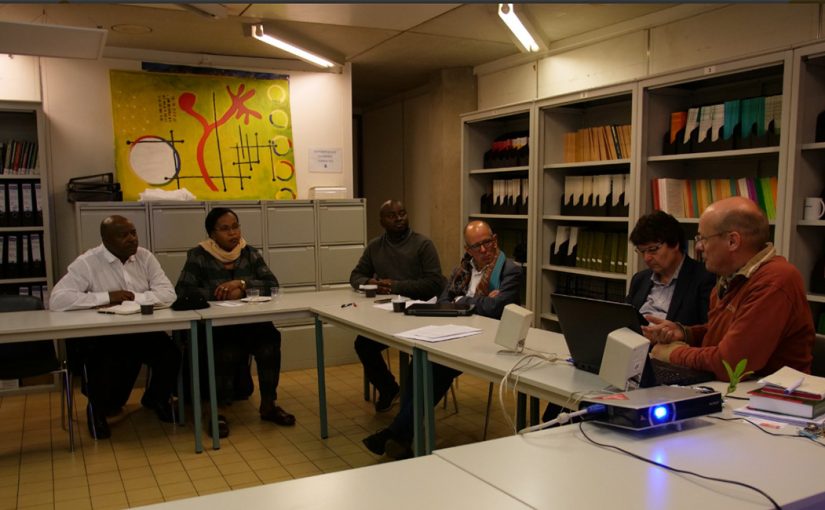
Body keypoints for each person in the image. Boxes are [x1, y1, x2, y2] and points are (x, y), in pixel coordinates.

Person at [362, 220, 522, 459]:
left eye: (488, 242)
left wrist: (463, 301)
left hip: (486, 342)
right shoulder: (461, 270)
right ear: (467, 249)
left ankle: (397, 433)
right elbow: (444, 302)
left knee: (438, 369)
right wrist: (478, 300)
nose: (484, 250)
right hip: (453, 334)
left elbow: (494, 308)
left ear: (495, 239)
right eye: (476, 246)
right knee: (420, 362)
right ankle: (401, 435)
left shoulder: (510, 270)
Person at [643, 197, 815, 380]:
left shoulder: (774, 281)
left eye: (703, 238)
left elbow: (730, 364)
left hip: (765, 393)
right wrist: (685, 333)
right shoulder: (732, 276)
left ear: (733, 241)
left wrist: (673, 353)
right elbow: (726, 334)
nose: (699, 247)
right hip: (732, 387)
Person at [50, 215, 180, 440]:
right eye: (123, 235)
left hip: (141, 331)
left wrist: (131, 298)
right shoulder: (88, 262)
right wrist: (106, 297)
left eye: (133, 233)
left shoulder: (145, 257)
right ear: (106, 240)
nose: (132, 239)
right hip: (104, 335)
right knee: (102, 361)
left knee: (171, 354)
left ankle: (156, 399)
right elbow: (58, 299)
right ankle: (97, 410)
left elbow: (168, 294)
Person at [175, 207, 295, 438]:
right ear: (212, 234)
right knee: (224, 350)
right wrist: (220, 293)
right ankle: (218, 411)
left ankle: (268, 405)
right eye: (225, 229)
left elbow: (272, 284)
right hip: (218, 328)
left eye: (235, 227)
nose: (233, 233)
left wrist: (242, 284)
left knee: (270, 342)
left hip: (251, 323)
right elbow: (183, 291)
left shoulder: (249, 253)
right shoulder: (199, 255)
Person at [350, 200, 445, 412]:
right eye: (392, 215)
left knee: (417, 353)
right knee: (363, 344)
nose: (399, 218)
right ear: (382, 221)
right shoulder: (375, 246)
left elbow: (434, 283)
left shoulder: (423, 244)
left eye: (402, 213)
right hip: (387, 315)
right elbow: (356, 276)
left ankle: (412, 405)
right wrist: (371, 283)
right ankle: (389, 389)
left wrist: (395, 286)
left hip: (419, 314)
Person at [627, 210, 716, 325]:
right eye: (642, 251)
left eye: (653, 250)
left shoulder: (704, 278)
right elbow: (625, 318)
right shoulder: (640, 279)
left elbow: (707, 329)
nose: (646, 258)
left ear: (674, 243)